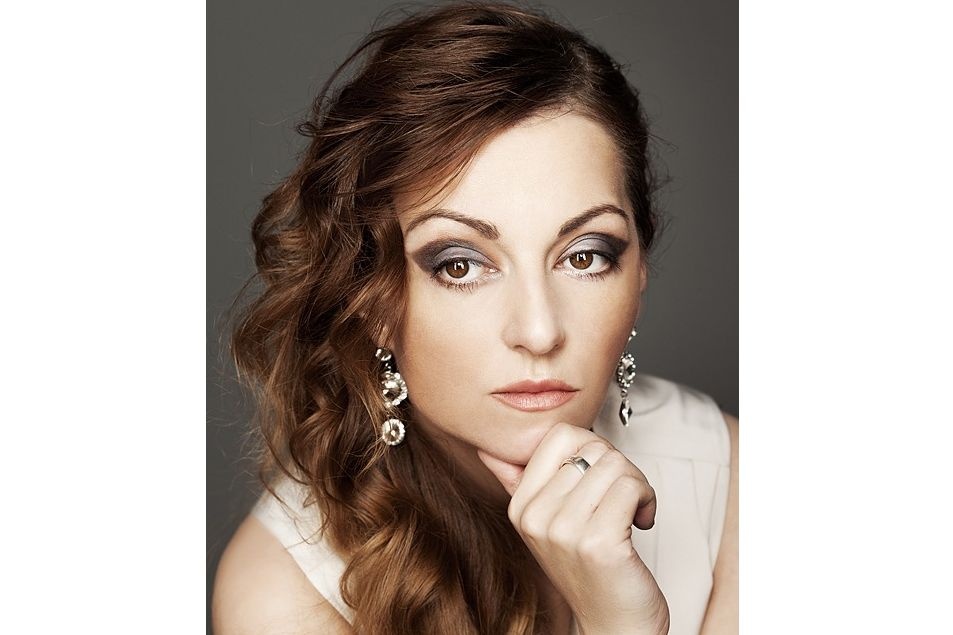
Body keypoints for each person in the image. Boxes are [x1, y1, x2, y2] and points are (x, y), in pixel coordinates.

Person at [211, 2, 738, 634]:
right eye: (460, 265)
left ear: (639, 274)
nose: (539, 332)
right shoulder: (284, 592)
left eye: (584, 256)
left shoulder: (735, 485)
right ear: (370, 299)